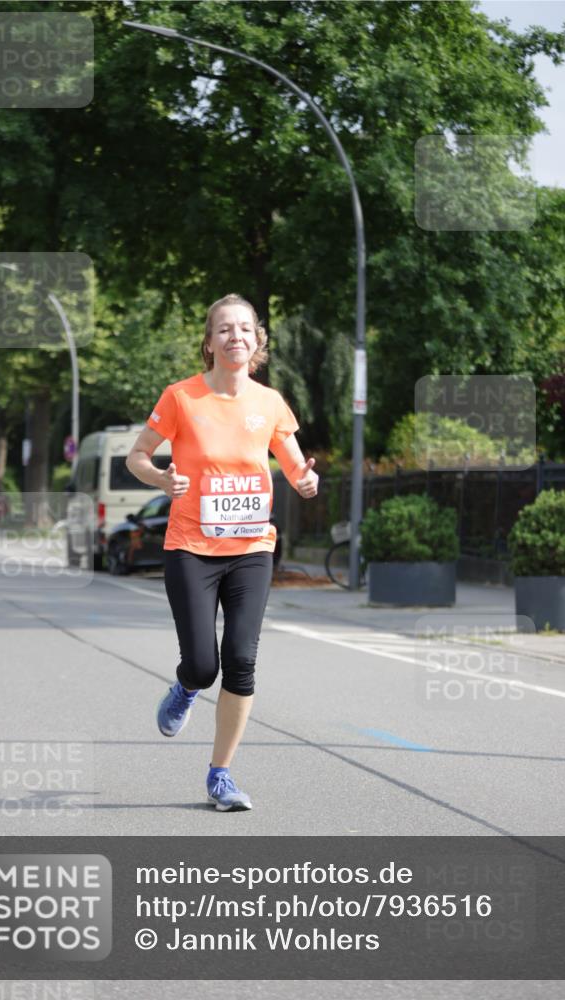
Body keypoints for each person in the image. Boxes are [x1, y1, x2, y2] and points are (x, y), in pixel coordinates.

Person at [126, 293, 318, 811]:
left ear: (257, 342)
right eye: (225, 329)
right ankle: (186, 686)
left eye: (245, 329)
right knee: (204, 665)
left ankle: (221, 775)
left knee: (240, 660)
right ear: (209, 343)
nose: (236, 336)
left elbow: (296, 465)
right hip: (191, 545)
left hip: (252, 546)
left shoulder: (271, 403)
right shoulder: (181, 397)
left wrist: (306, 481)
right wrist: (161, 478)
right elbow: (137, 456)